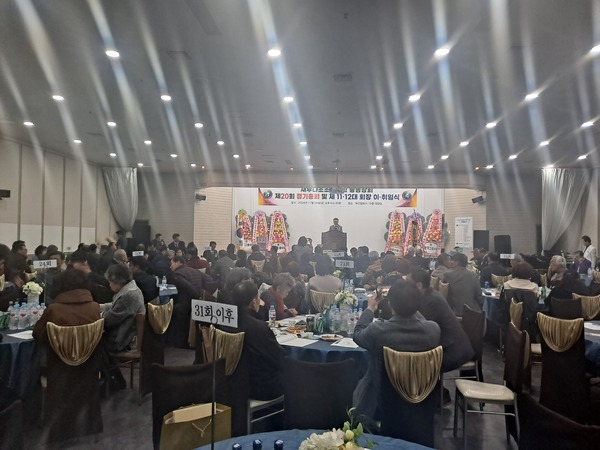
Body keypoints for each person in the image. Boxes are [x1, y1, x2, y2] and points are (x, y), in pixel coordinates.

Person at [352, 280, 440, 424]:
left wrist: (370, 308)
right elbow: (420, 320)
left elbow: (357, 334)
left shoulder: (379, 331)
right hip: (421, 397)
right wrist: (411, 305)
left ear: (390, 304)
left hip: (382, 400)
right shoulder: (433, 330)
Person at [408, 268, 474, 372]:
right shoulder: (429, 295)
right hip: (449, 346)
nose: (406, 287)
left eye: (408, 284)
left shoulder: (432, 301)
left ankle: (431, 383)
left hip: (452, 351)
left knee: (415, 364)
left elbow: (424, 331)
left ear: (419, 285)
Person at [229, 280, 285, 400]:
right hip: (262, 387)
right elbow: (278, 358)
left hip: (233, 382)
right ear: (254, 301)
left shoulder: (226, 322)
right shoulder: (258, 328)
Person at [33, 268, 101, 343]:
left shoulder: (53, 310)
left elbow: (37, 334)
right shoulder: (95, 308)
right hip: (91, 349)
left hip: (57, 350)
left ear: (59, 286)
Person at [168, 256, 216, 347]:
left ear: (178, 262)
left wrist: (196, 295)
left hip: (184, 305)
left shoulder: (177, 274)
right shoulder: (194, 270)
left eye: (171, 264)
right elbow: (209, 279)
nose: (170, 267)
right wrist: (202, 293)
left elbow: (188, 287)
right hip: (196, 305)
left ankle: (179, 343)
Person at [101, 264, 145, 352]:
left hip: (122, 341)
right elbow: (117, 305)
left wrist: (98, 314)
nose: (109, 285)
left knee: (89, 343)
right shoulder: (132, 289)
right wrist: (102, 306)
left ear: (118, 281)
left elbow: (109, 320)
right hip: (127, 335)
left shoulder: (128, 295)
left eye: (110, 282)